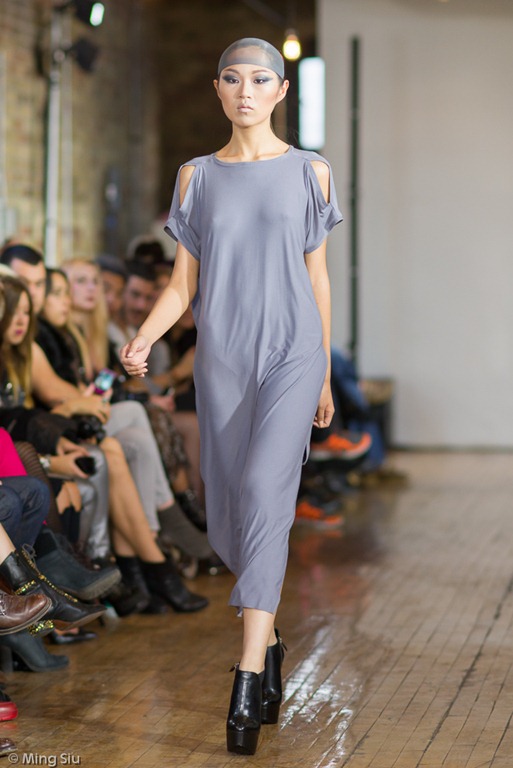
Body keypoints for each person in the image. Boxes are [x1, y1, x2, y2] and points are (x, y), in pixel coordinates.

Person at [121, 38, 342, 755]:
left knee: (264, 490)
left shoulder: (311, 171)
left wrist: (323, 372)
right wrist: (144, 337)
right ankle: (268, 639)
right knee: (230, 513)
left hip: (292, 352)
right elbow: (181, 285)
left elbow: (317, 278)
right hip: (222, 359)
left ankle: (246, 674)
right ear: (217, 89)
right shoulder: (196, 178)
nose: (246, 90)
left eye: (260, 79)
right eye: (232, 78)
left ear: (281, 91)